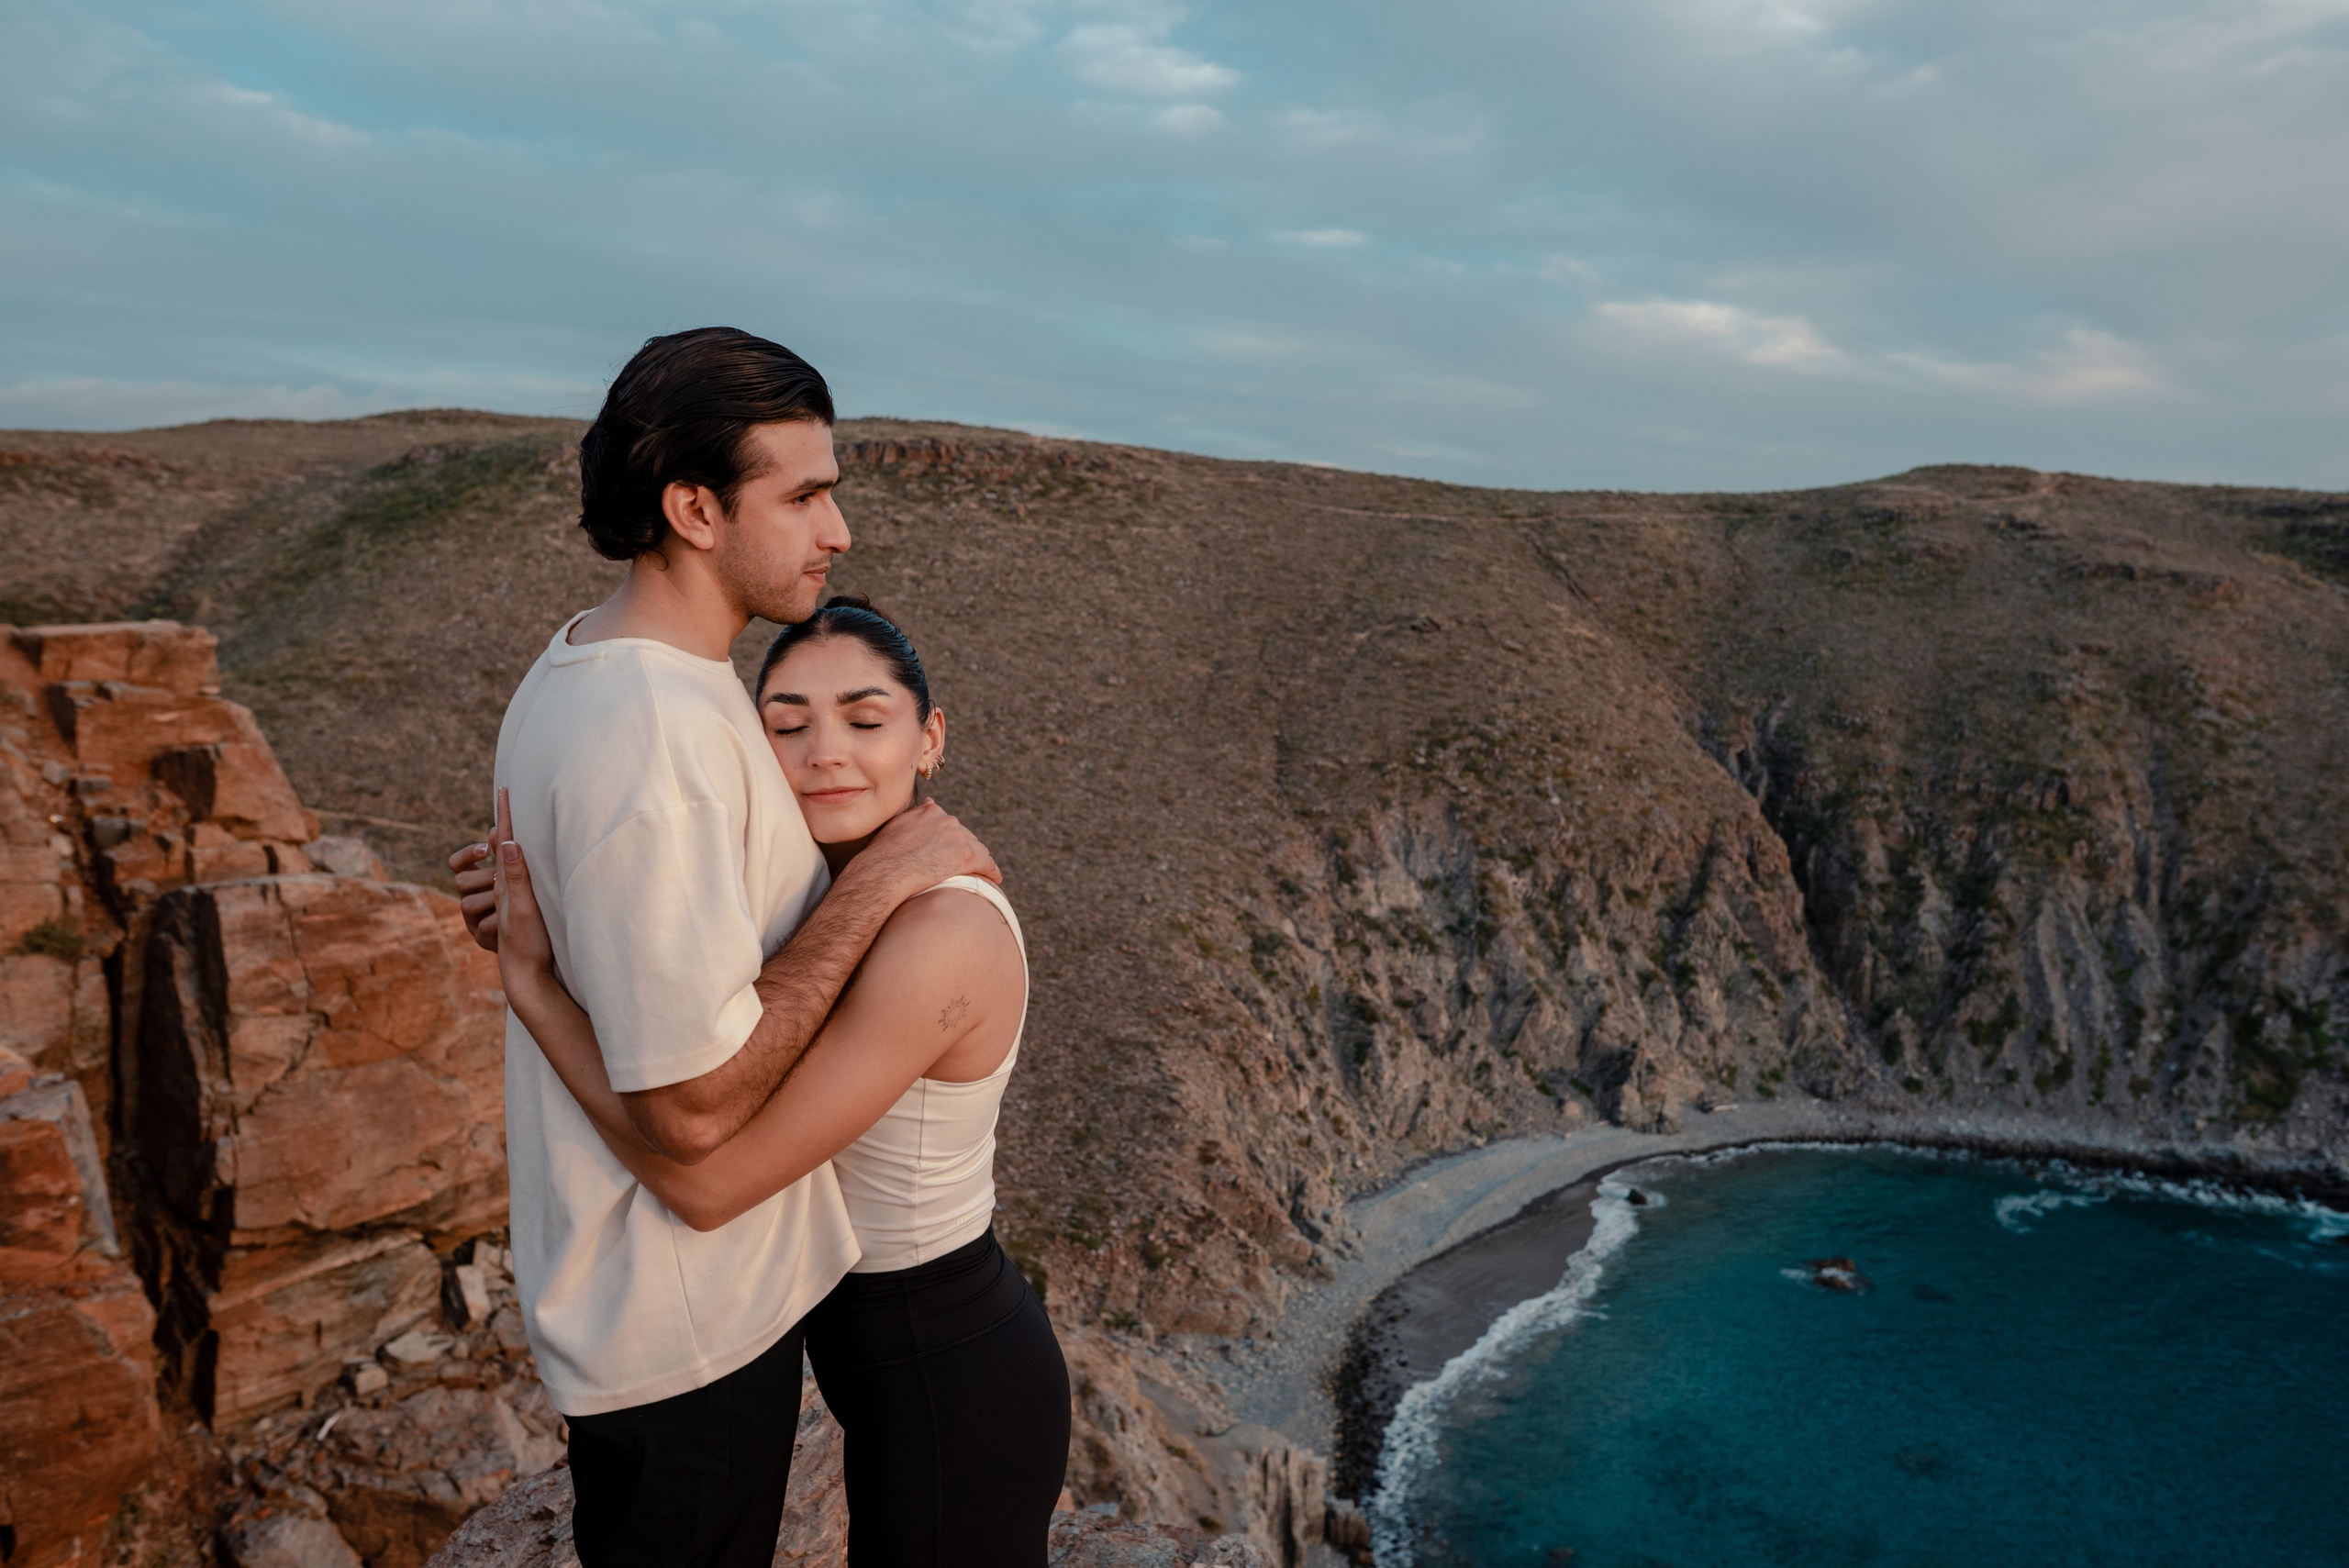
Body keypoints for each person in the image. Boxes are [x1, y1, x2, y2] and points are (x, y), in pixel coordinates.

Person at [453, 328, 998, 1568]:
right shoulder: (655, 729)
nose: (839, 530)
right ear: (694, 508)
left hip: (667, 1317)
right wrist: (885, 889)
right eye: (805, 495)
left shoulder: (589, 666)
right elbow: (694, 1112)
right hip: (681, 1338)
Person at [484, 598, 1071, 1568]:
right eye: (786, 725)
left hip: (945, 1367)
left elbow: (706, 1182)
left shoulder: (941, 933)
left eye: (865, 719)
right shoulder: (812, 896)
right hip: (871, 1353)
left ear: (930, 739)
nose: (824, 752)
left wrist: (537, 988)